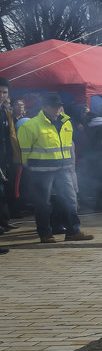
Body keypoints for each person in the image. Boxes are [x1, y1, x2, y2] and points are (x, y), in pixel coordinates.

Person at [17, 93, 93, 243]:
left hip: (62, 168)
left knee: (70, 200)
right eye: (54, 106)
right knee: (43, 203)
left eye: (59, 106)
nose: (58, 109)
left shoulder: (66, 122)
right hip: (40, 171)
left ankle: (73, 231)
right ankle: (45, 233)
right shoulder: (30, 125)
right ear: (44, 107)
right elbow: (24, 150)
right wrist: (28, 167)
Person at [0, 78, 20, 236]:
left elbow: (10, 135)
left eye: (4, 92)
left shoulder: (6, 111)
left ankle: (3, 221)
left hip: (5, 156)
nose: (1, 95)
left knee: (5, 190)